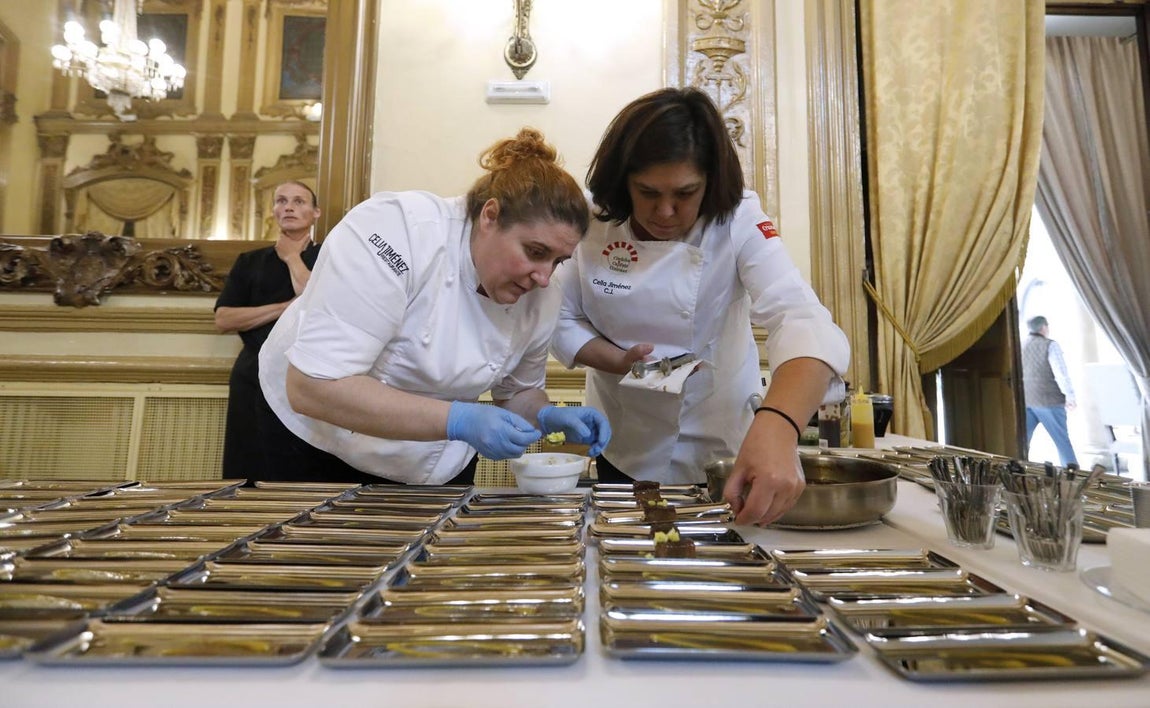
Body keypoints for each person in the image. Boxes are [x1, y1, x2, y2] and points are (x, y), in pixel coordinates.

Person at [550, 87, 850, 525]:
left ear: (710, 181)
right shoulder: (591, 219)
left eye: (685, 193)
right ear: (622, 181)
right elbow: (557, 316)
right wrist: (618, 361)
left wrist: (780, 424)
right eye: (647, 191)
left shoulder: (737, 217)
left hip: (722, 440)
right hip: (625, 437)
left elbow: (798, 315)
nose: (666, 210)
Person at [257, 128, 611, 485]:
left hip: (430, 459)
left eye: (558, 261)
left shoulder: (543, 295)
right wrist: (459, 419)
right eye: (535, 252)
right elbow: (312, 386)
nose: (544, 277)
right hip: (315, 443)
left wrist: (546, 414)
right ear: (490, 216)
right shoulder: (400, 232)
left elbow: (517, 392)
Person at [214, 180, 321, 480]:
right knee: (249, 463)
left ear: (316, 213)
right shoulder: (249, 261)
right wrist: (286, 306)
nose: (289, 206)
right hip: (252, 372)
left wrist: (291, 257)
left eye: (299, 201)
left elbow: (312, 298)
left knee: (303, 465)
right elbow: (224, 318)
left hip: (305, 372)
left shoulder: (327, 255)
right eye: (281, 200)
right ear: (273, 210)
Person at [1022, 315, 1078, 466]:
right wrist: (1070, 396)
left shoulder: (1020, 344)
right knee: (1061, 440)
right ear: (1044, 328)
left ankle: (1017, 474)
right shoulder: (1050, 345)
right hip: (1048, 400)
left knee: (1022, 442)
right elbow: (1061, 372)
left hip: (1026, 399)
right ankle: (1072, 476)